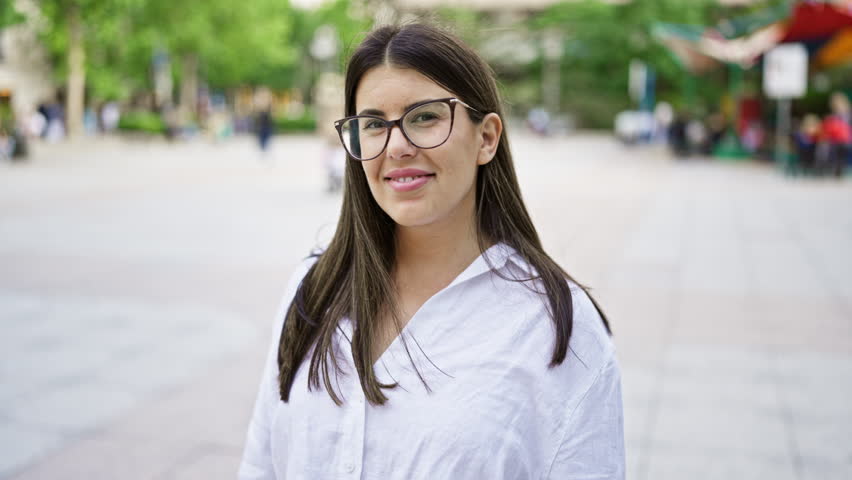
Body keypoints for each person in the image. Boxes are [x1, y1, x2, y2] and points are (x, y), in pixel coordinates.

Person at [239, 23, 624, 480]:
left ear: (486, 138)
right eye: (373, 124)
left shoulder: (560, 331)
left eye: (424, 117)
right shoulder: (314, 288)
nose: (396, 146)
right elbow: (262, 464)